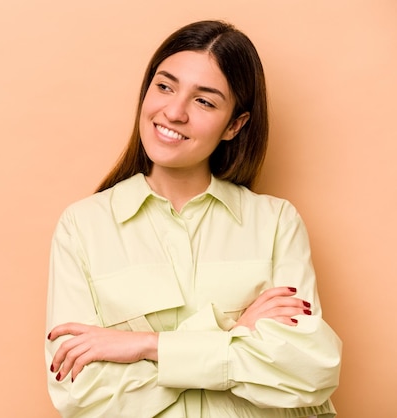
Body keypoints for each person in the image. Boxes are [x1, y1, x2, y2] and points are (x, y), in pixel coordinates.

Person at [45, 20, 341, 418]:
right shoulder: (83, 227)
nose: (174, 111)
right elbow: (84, 394)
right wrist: (235, 333)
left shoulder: (275, 222)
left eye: (204, 101)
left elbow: (310, 371)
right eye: (165, 86)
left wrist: (147, 346)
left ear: (234, 125)